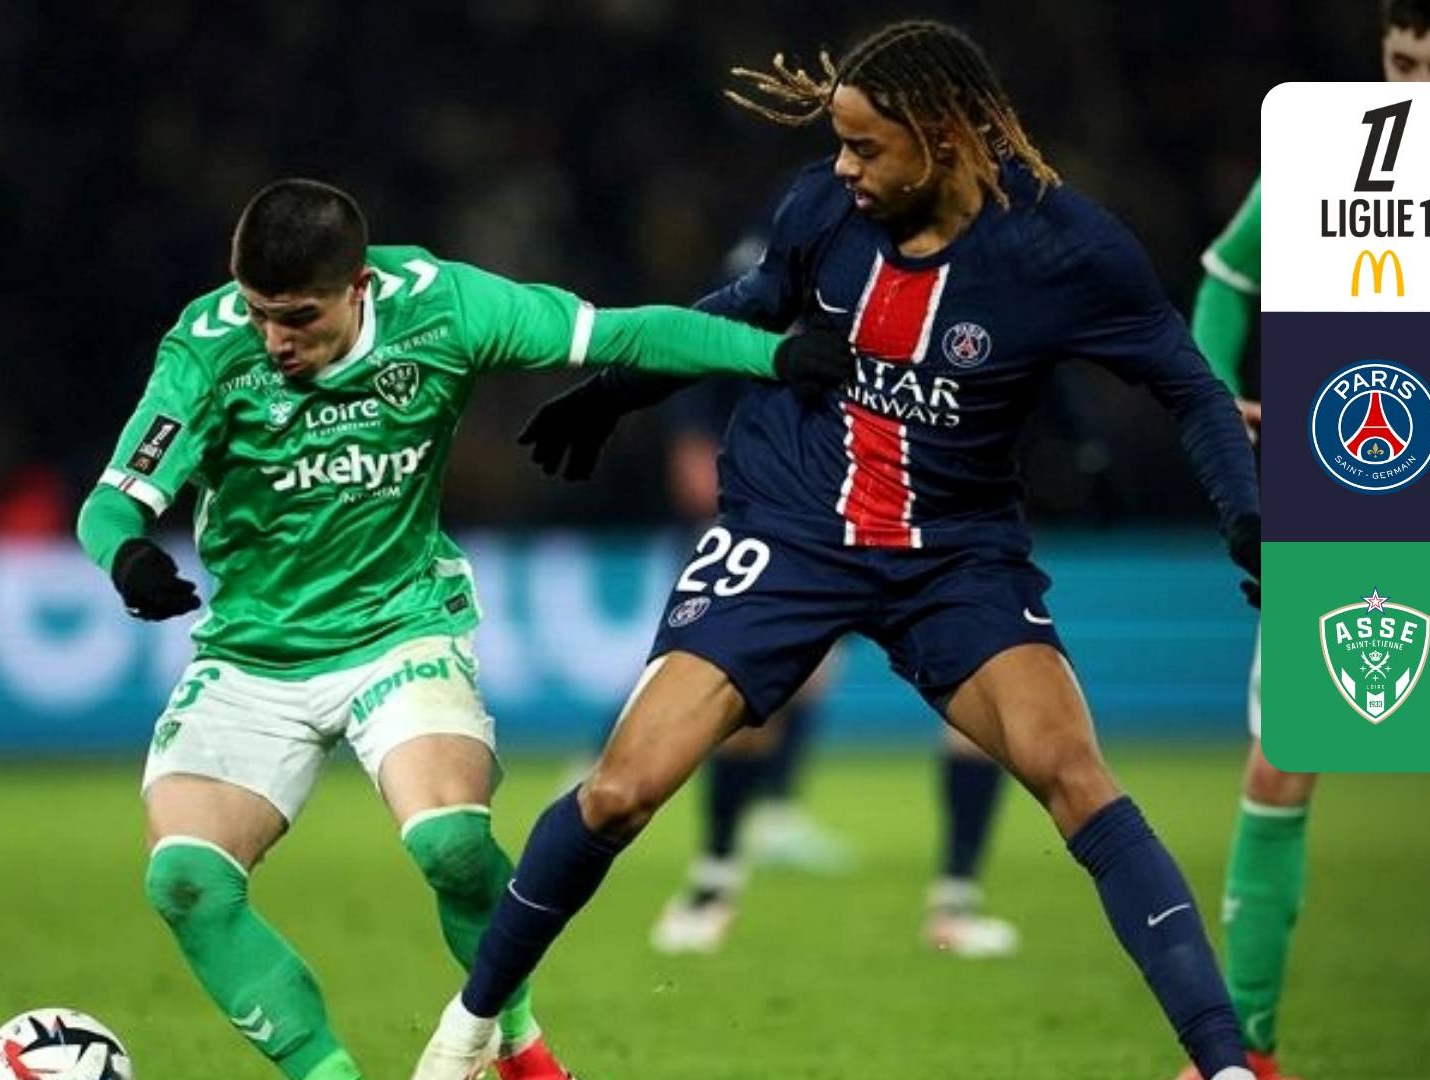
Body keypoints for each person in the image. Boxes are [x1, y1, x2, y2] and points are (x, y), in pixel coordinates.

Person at [412, 19, 1261, 1080]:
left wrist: (1243, 515)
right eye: (841, 144)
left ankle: (1226, 1065)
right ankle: (469, 1033)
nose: (844, 168)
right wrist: (618, 392)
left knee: (1075, 776)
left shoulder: (1067, 251)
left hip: (954, 555)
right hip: (788, 531)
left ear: (943, 136)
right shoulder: (820, 209)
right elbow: (742, 307)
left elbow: (1188, 384)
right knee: (621, 790)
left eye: (865, 147)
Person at [76, 177, 853, 1080]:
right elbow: (110, 505)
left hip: (401, 629)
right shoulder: (209, 348)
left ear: (358, 286)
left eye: (297, 317)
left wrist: (773, 356)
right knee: (185, 882)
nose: (274, 339)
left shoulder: (441, 307)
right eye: (258, 313)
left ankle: (516, 1044)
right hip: (253, 654)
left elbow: (626, 332)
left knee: (449, 844)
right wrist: (128, 558)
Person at [1180, 3, 1430, 1077]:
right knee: (1279, 771)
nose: (1419, 87)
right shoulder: (1324, 162)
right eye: (1402, 62)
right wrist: (1214, 394)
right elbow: (1228, 280)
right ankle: (1244, 1051)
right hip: (1343, 510)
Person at [647, 346, 1016, 960]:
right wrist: (696, 441)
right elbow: (707, 353)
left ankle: (956, 901)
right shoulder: (794, 294)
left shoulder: (964, 309)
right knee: (759, 697)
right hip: (808, 520)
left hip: (933, 526)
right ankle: (712, 883)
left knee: (986, 699)